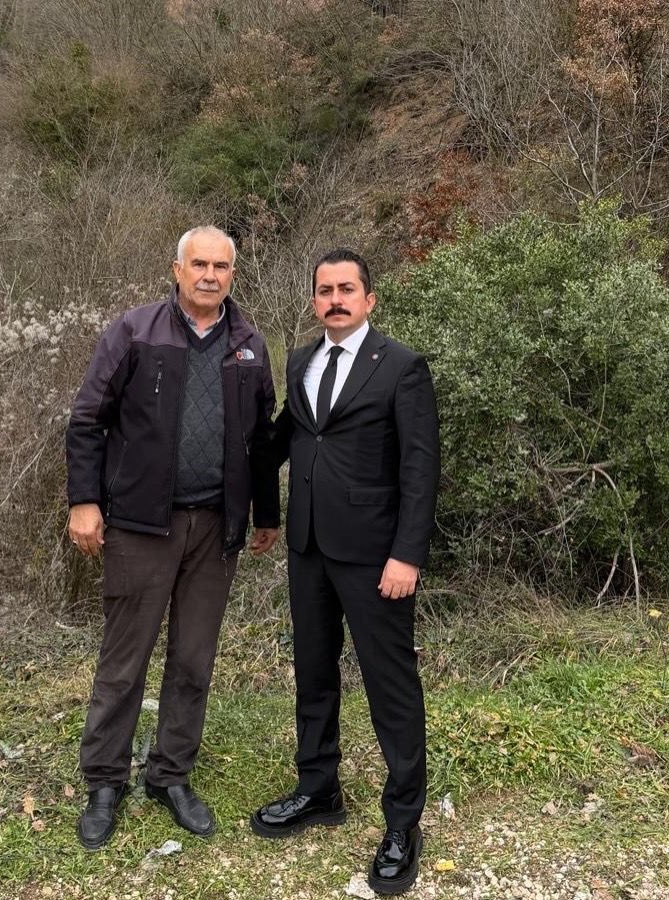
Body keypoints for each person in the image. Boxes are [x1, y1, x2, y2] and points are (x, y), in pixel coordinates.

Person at [65, 226, 280, 851]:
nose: (210, 275)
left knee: (193, 660)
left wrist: (265, 513)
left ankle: (169, 774)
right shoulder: (135, 331)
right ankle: (105, 781)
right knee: (124, 660)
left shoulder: (248, 345)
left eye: (221, 266)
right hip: (140, 525)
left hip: (215, 527)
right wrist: (84, 501)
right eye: (199, 264)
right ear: (177, 269)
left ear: (233, 274)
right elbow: (88, 418)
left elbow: (262, 439)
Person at [250, 249, 439, 895]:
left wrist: (407, 555)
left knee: (390, 686)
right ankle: (318, 788)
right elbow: (283, 439)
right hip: (308, 547)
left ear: (369, 298)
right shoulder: (301, 361)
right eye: (325, 290)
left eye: (347, 289)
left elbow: (420, 468)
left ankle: (403, 822)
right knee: (313, 673)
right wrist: (258, 503)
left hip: (376, 556)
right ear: (314, 300)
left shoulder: (402, 367)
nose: (335, 299)